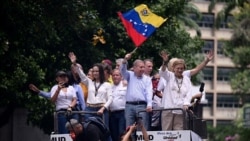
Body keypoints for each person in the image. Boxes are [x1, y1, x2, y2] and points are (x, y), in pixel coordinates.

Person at [69, 52, 113, 131]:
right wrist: (75, 63)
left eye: (97, 71)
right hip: (89, 109)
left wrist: (103, 108)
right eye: (94, 71)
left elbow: (110, 98)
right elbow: (81, 75)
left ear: (101, 72)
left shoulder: (107, 84)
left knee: (104, 131)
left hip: (101, 109)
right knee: (88, 129)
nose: (95, 73)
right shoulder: (89, 82)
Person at [159, 52, 193, 130]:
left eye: (181, 68)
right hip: (168, 109)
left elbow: (189, 93)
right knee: (166, 133)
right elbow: (163, 72)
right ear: (173, 68)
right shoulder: (169, 76)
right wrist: (164, 62)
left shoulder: (187, 80)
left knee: (179, 133)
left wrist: (186, 104)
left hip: (180, 110)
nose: (180, 70)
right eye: (178, 68)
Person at [120, 53, 152, 134]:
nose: (142, 69)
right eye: (140, 67)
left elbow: (149, 92)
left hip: (142, 106)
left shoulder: (147, 79)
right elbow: (122, 70)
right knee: (129, 129)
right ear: (134, 68)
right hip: (129, 106)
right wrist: (125, 60)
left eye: (143, 67)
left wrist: (149, 104)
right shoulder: (129, 75)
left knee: (143, 129)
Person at [109, 69, 127, 141]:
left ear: (121, 76)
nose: (115, 77)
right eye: (113, 75)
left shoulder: (125, 86)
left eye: (117, 75)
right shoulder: (109, 87)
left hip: (122, 113)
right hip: (112, 114)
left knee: (121, 133)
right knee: (114, 134)